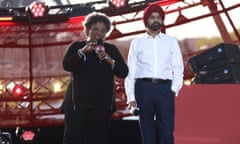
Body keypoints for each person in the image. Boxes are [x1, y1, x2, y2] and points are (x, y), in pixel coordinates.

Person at [62, 12, 128, 144]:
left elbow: (123, 72)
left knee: (97, 139)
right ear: (87, 30)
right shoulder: (76, 47)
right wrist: (83, 51)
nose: (99, 33)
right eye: (95, 29)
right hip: (77, 105)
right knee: (73, 139)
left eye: (103, 30)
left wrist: (111, 61)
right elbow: (67, 65)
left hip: (102, 106)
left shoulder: (111, 49)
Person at [124, 4, 184, 144]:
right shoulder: (137, 42)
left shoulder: (171, 41)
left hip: (165, 89)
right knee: (148, 134)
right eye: (152, 17)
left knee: (167, 134)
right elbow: (131, 71)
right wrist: (131, 97)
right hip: (144, 88)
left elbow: (178, 67)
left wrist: (174, 89)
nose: (156, 20)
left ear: (162, 21)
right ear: (146, 21)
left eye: (159, 17)